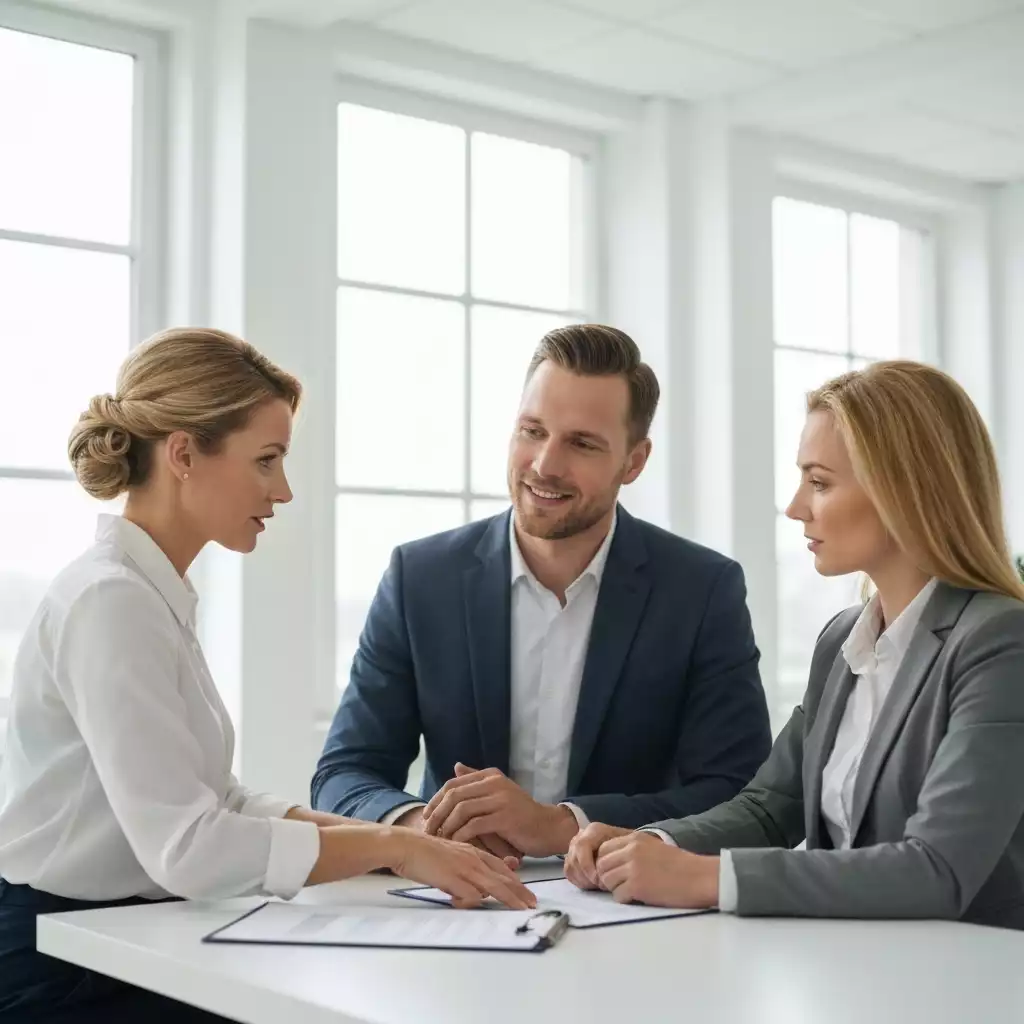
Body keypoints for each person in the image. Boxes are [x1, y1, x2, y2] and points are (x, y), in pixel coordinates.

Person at [0, 328, 534, 1022]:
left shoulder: (146, 592)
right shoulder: (113, 603)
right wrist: (391, 844)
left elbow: (215, 798)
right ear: (184, 453)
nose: (282, 490)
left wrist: (399, 847)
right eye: (267, 460)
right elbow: (187, 849)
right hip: (65, 967)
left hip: (122, 935)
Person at [565, 360, 1024, 928]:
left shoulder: (1000, 642)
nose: (795, 506)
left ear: (903, 490)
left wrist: (703, 878)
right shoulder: (842, 641)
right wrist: (648, 843)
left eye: (820, 482)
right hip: (855, 973)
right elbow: (768, 810)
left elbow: (937, 870)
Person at [312, 324, 772, 861]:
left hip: (633, 910)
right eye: (532, 430)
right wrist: (428, 827)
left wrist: (560, 826)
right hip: (454, 905)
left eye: (581, 443)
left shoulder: (702, 590)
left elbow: (738, 793)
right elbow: (344, 774)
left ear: (634, 461)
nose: (545, 464)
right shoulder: (420, 578)